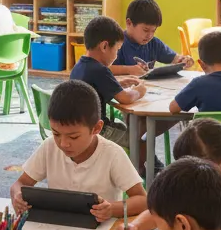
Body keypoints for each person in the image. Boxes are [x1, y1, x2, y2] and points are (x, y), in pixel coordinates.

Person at [10, 80, 147, 220]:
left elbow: (142, 200)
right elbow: (20, 184)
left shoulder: (112, 154)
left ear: (96, 128)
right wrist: (17, 196)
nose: (63, 144)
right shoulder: (49, 146)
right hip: (58, 228)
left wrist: (112, 208)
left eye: (73, 137)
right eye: (56, 133)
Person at [69, 16, 146, 151]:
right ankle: (140, 170)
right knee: (140, 140)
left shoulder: (81, 65)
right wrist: (140, 90)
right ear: (104, 46)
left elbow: (97, 85)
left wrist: (117, 83)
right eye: (117, 49)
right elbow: (125, 98)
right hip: (98, 131)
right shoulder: (100, 70)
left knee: (123, 127)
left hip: (81, 127)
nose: (116, 55)